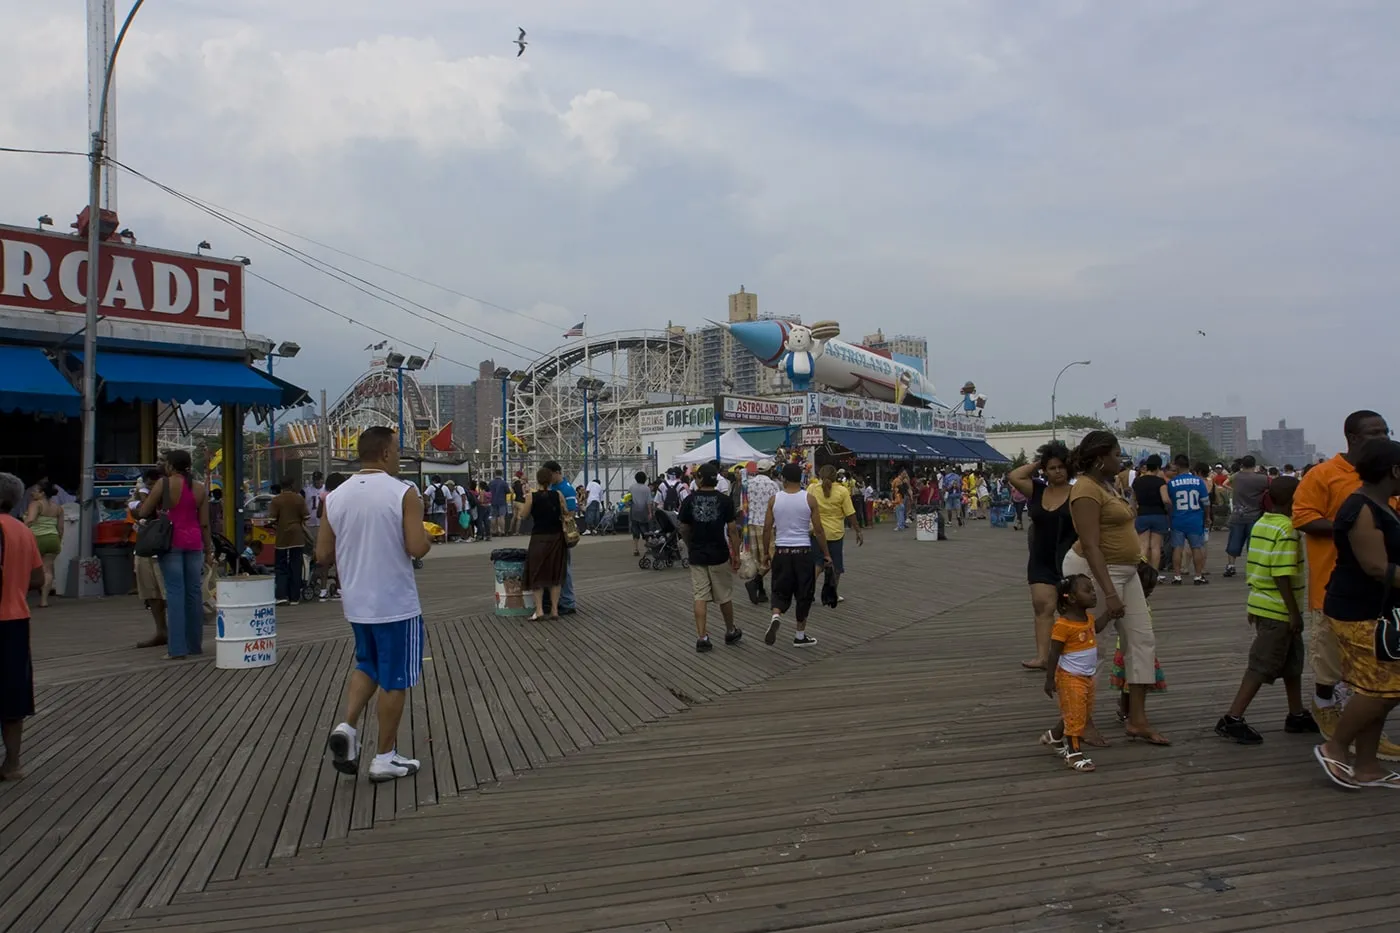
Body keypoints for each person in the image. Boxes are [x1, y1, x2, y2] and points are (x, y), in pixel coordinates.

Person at [320, 426, 431, 783]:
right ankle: (385, 757)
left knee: (367, 664)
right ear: (385, 453)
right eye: (397, 450)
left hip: (356, 602)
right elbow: (416, 548)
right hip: (395, 602)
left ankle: (347, 727)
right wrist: (427, 536)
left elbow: (322, 553)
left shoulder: (335, 495)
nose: (399, 456)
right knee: (395, 679)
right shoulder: (404, 492)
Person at [1293, 409, 1396, 752]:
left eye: (1385, 431)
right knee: (1331, 664)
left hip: (1381, 597)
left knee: (1370, 672)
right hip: (1335, 588)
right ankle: (1329, 716)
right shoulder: (1324, 474)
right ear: (1352, 438)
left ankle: (1361, 740)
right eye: (1374, 433)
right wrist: (1350, 529)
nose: (1382, 437)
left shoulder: (1385, 479)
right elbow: (1303, 518)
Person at [1064, 431, 1168, 745]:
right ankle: (1081, 720)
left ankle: (1137, 719)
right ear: (1100, 459)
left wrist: (1138, 562)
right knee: (1089, 649)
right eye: (1116, 454)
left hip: (1126, 570)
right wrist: (1109, 593)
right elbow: (1092, 546)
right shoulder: (1085, 490)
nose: (1120, 460)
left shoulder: (1108, 485)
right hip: (1096, 572)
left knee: (1141, 640)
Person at [1314, 437, 1400, 788]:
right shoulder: (1362, 508)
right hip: (1359, 610)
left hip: (1377, 610)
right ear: (1394, 470)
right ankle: (1334, 747)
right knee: (1385, 688)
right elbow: (1377, 567)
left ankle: (1367, 766)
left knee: (1377, 687)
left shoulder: (1383, 504)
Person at [1214, 476, 1317, 744]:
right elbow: (1281, 574)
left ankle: (1297, 713)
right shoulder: (1288, 530)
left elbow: (1258, 566)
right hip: (1279, 610)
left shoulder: (1263, 523)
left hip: (1262, 603)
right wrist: (1294, 613)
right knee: (1261, 665)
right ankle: (1232, 718)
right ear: (1295, 500)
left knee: (1292, 662)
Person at [1008, 442, 1079, 674]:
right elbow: (1014, 475)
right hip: (1040, 557)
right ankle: (1043, 656)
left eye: (1061, 467)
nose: (1057, 471)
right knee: (1042, 607)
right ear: (1044, 470)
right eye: (1051, 468)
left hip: (1069, 559)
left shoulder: (1077, 493)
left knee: (1070, 609)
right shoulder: (1037, 490)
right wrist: (1042, 459)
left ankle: (1071, 655)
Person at [138, 449, 214, 661]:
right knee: (194, 593)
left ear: (170, 466)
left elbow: (144, 511)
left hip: (170, 542)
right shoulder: (199, 489)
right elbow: (205, 523)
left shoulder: (163, 484)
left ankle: (177, 648)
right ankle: (194, 645)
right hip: (194, 543)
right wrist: (209, 550)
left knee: (175, 593)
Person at [0, 473, 45, 781]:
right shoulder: (22, 531)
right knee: (14, 692)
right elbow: (39, 578)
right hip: (17, 619)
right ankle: (13, 763)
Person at [1041, 574, 1109, 772]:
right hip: (1070, 677)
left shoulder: (1087, 618)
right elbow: (1054, 653)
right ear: (1071, 598)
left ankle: (1054, 736)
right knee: (1075, 714)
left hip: (1087, 676)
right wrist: (1049, 679)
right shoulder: (1063, 625)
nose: (1093, 594)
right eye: (1087, 591)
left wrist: (1109, 615)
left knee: (1080, 712)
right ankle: (1074, 753)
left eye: (1092, 590)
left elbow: (1096, 628)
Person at [760, 463, 831, 648]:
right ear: (801, 478)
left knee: (779, 589)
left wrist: (766, 553)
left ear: (783, 478)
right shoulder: (809, 499)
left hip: (782, 551)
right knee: (804, 593)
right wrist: (826, 554)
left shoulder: (774, 500)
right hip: (803, 552)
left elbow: (767, 528)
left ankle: (776, 615)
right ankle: (800, 635)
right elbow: (819, 530)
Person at [679, 464, 743, 652]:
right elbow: (732, 530)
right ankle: (730, 630)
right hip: (719, 553)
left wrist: (690, 543)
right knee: (724, 595)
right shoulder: (724, 500)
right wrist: (736, 554)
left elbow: (683, 527)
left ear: (699, 478)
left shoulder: (690, 500)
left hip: (697, 554)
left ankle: (702, 637)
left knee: (700, 596)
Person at [809, 465, 862, 601]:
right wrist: (858, 530)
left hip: (817, 531)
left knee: (818, 564)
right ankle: (832, 594)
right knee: (836, 565)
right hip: (836, 533)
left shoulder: (812, 489)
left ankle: (808, 591)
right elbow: (850, 513)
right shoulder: (842, 491)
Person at [524, 467, 569, 621]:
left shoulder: (531, 496)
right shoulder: (558, 495)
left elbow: (523, 515)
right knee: (555, 573)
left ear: (537, 480)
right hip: (556, 537)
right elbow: (566, 512)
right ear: (550, 480)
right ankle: (555, 610)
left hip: (538, 537)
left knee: (537, 573)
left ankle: (540, 610)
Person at [129, 469, 167, 648]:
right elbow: (138, 513)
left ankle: (174, 632)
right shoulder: (142, 494)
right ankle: (161, 631)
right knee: (151, 594)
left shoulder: (169, 494)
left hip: (164, 549)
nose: (153, 487)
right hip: (145, 547)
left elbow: (142, 511)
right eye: (150, 484)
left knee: (167, 593)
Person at [1166, 454, 1210, 585]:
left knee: (1177, 548)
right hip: (1195, 519)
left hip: (1178, 519)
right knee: (1196, 547)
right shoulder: (1198, 482)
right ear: (1189, 465)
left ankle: (1177, 576)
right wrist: (1207, 517)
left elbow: (1169, 502)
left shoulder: (1172, 483)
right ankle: (1198, 575)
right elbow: (1206, 502)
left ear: (1176, 466)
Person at [743, 461, 780, 605]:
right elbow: (777, 505)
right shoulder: (773, 485)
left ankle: (761, 590)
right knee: (772, 558)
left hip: (751, 524)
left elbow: (743, 507)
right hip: (767, 525)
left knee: (758, 559)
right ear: (769, 470)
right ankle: (756, 582)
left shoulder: (748, 485)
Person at [543, 461, 578, 615]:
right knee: (558, 567)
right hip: (552, 531)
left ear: (557, 472)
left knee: (565, 567)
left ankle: (568, 602)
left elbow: (571, 513)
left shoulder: (566, 489)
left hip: (562, 532)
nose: (548, 477)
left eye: (549, 474)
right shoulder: (552, 488)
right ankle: (559, 600)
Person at [1225, 456, 1269, 578]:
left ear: (1242, 465)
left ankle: (1231, 566)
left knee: (1233, 541)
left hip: (1237, 515)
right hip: (1255, 516)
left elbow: (1226, 483)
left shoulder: (1236, 477)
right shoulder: (1262, 479)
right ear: (1254, 465)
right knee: (1254, 543)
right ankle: (1253, 567)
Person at [268, 479, 310, 606]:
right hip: (297, 536)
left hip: (282, 537)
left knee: (281, 566)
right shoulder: (299, 499)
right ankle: (294, 597)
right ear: (292, 486)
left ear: (281, 487)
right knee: (296, 566)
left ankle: (281, 595)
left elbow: (272, 519)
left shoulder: (276, 500)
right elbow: (306, 517)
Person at [23, 483, 63, 608]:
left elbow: (30, 520)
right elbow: (61, 528)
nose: (32, 493)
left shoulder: (36, 504)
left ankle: (22, 599)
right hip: (53, 539)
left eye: (35, 491)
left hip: (37, 539)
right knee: (47, 570)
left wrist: (20, 526)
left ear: (42, 493)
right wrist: (58, 540)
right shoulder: (58, 508)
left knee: (27, 569)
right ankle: (44, 601)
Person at [1131, 455, 1170, 582]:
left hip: (1142, 514)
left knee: (1143, 546)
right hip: (1158, 515)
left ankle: (1142, 573)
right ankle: (1155, 574)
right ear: (1158, 467)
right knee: (1156, 547)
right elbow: (1165, 499)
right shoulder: (1160, 482)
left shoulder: (1137, 481)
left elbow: (1133, 499)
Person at [627, 471, 654, 556]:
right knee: (645, 530)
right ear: (645, 479)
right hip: (644, 512)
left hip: (634, 511)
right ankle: (648, 547)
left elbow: (627, 499)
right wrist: (650, 512)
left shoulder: (631, 487)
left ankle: (636, 549)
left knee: (635, 530)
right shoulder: (647, 489)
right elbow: (649, 502)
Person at [489, 471, 510, 537]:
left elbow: (488, 491)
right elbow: (508, 491)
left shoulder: (491, 483)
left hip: (493, 501)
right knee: (501, 516)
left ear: (495, 474)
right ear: (501, 474)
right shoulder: (504, 483)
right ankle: (502, 531)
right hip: (502, 501)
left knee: (493, 516)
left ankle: (493, 531)